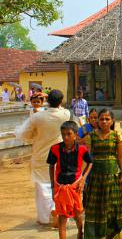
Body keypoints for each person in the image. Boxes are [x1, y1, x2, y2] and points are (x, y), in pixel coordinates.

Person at [17, 90, 71, 226]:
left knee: (42, 186)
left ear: (46, 101)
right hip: (60, 154)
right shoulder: (65, 115)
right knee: (60, 184)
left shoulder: (37, 117)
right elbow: (62, 108)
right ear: (60, 101)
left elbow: (24, 134)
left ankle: (47, 214)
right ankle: (57, 208)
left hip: (41, 155)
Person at [83, 109, 122, 238]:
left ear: (112, 121)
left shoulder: (117, 136)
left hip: (112, 174)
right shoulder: (91, 136)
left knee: (113, 204)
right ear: (98, 121)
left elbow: (120, 157)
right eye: (101, 119)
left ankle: (113, 233)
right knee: (96, 205)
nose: (104, 122)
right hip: (96, 175)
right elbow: (87, 158)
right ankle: (96, 234)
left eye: (107, 119)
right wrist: (83, 177)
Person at [47, 121, 93, 239]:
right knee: (62, 216)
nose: (65, 137)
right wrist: (53, 186)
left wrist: (83, 179)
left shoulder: (82, 149)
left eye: (69, 134)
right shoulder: (55, 148)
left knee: (77, 213)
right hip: (60, 186)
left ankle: (80, 231)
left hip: (75, 185)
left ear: (75, 134)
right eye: (63, 134)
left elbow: (90, 163)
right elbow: (51, 166)